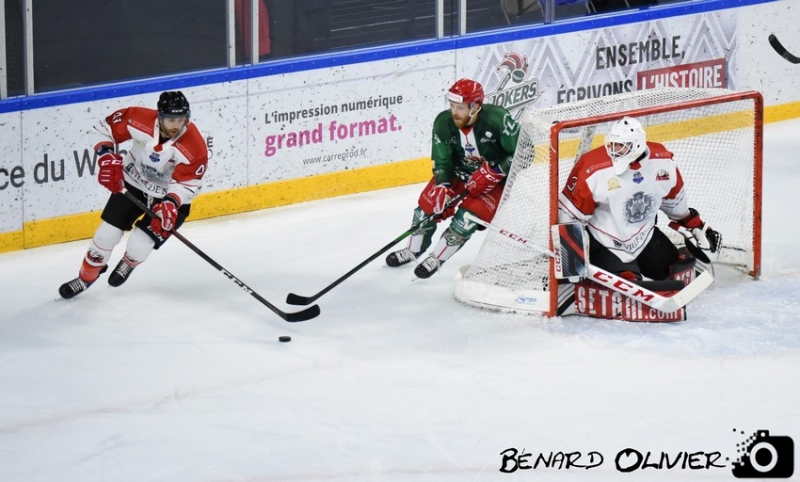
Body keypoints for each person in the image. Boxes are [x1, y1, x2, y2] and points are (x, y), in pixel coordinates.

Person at [59, 91, 209, 299]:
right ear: (159, 116)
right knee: (106, 234)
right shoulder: (138, 119)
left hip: (171, 199)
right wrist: (106, 156)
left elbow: (188, 182)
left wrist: (171, 203)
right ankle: (86, 278)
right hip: (133, 183)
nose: (176, 125)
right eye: (170, 119)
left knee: (139, 244)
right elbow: (104, 128)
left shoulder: (195, 145)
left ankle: (129, 262)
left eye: (181, 119)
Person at [557, 116, 722, 282]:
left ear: (636, 145)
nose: (614, 150)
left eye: (621, 146)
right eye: (612, 144)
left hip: (645, 236)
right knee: (626, 285)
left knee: (673, 271)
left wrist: (694, 226)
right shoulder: (592, 168)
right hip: (606, 241)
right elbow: (568, 213)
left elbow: (675, 203)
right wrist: (571, 260)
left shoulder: (662, 162)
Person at [385, 78, 520, 279]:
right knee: (424, 212)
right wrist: (443, 186)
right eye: (452, 106)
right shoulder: (443, 123)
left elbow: (524, 151)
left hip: (495, 181)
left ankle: (436, 258)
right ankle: (413, 251)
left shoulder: (498, 119)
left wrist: (496, 170)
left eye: (461, 107)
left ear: (475, 107)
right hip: (458, 173)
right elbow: (442, 161)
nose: (454, 112)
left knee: (465, 221)